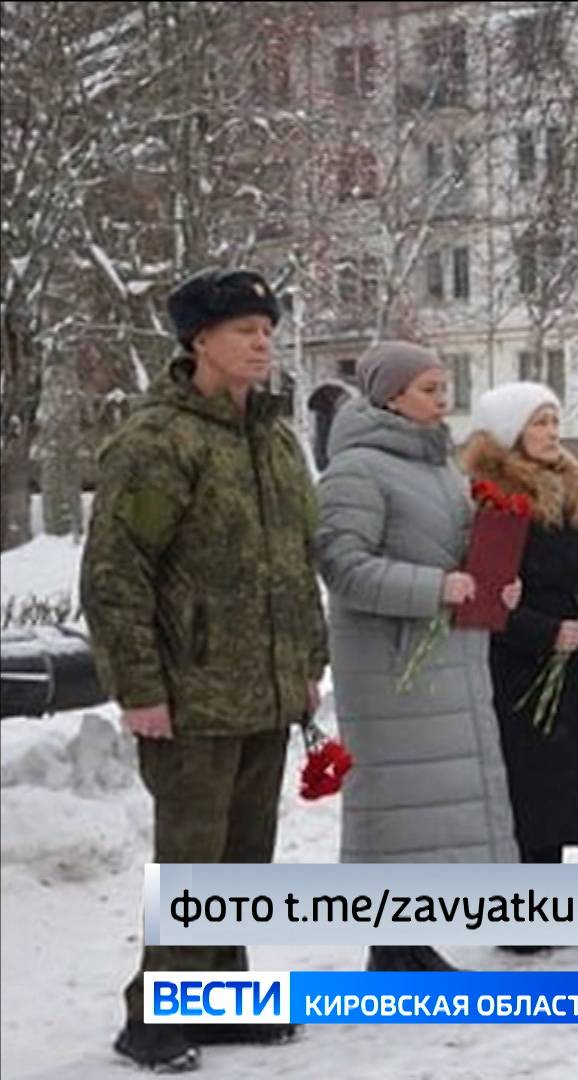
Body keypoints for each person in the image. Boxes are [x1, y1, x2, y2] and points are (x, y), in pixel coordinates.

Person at [81, 267, 328, 1070]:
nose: (263, 342)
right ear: (198, 343)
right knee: (192, 860)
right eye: (244, 331)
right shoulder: (159, 441)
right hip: (190, 693)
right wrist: (139, 688)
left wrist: (306, 665)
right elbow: (118, 572)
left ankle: (216, 1000)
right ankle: (150, 1017)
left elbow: (294, 561)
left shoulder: (273, 439)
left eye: (268, 328)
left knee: (244, 858)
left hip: (265, 687)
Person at [313, 342, 522, 972]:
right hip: (391, 664)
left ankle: (410, 941)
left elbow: (459, 551)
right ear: (390, 396)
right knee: (398, 802)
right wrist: (434, 588)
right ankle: (394, 946)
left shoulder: (439, 467)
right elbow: (343, 566)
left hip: (445, 656)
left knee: (432, 805)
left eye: (444, 386)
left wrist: (499, 581)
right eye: (429, 388)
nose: (444, 398)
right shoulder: (356, 470)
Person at [459, 382, 578, 952]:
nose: (551, 433)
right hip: (521, 670)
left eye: (554, 421)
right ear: (509, 434)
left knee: (560, 786)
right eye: (538, 423)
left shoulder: (568, 491)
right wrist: (545, 632)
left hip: (571, 664)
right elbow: (487, 603)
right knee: (529, 792)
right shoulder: (499, 500)